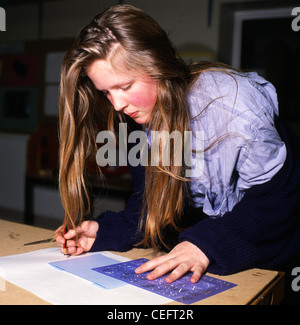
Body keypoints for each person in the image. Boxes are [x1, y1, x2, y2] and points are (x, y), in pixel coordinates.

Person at [55, 4, 300, 302]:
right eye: (107, 92)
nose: (117, 104)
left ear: (157, 65)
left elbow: (278, 199)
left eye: (125, 86)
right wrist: (103, 232)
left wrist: (204, 245)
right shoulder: (145, 117)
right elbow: (153, 206)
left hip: (281, 258)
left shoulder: (231, 103)